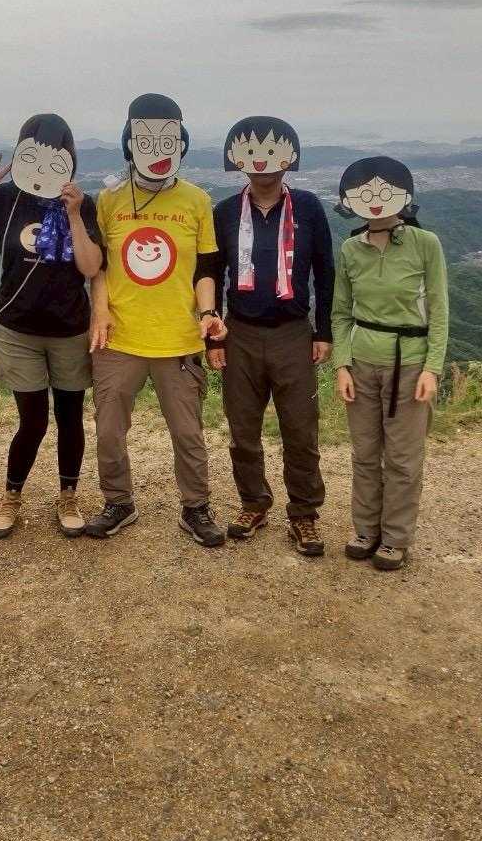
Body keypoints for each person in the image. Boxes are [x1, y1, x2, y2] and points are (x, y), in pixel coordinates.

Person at [0, 113, 104, 539]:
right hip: (17, 329)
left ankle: (68, 495)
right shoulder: (6, 198)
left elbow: (91, 267)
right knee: (32, 421)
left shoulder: (82, 204)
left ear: (69, 159)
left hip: (69, 329)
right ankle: (11, 496)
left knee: (70, 417)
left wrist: (74, 215)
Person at [85, 93, 227, 547]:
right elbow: (98, 266)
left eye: (168, 141)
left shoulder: (197, 200)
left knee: (188, 432)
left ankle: (195, 507)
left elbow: (207, 267)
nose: (158, 152)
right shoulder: (108, 200)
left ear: (181, 143)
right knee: (109, 430)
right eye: (146, 141)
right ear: (130, 144)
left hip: (179, 337)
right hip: (120, 335)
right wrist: (100, 311)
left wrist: (208, 313)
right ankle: (118, 502)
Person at [207, 116, 334, 557]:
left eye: (271, 152)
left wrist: (323, 330)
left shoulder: (308, 207)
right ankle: (253, 502)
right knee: (242, 428)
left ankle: (304, 512)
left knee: (300, 428)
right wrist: (214, 338)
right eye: (250, 153)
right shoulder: (225, 211)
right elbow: (211, 273)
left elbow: (325, 271)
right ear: (237, 159)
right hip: (239, 332)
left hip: (293, 333)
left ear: (288, 158)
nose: (261, 162)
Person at [331, 156, 448, 571]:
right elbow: (340, 313)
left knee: (402, 457)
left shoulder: (425, 244)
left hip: (410, 363)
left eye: (385, 192)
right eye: (365, 193)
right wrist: (341, 366)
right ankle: (366, 529)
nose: (376, 201)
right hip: (362, 361)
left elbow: (439, 310)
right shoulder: (350, 249)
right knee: (364, 453)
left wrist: (432, 368)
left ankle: (396, 537)